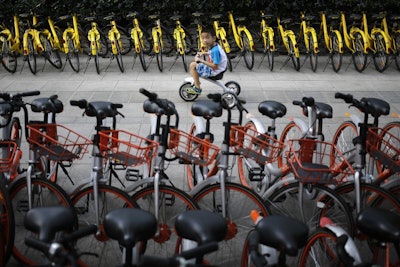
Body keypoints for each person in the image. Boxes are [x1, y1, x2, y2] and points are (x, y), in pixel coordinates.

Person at [187, 27, 228, 95]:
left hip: (215, 72)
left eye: (207, 38)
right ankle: (197, 81)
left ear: (214, 38)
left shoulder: (215, 51)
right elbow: (211, 53)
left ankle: (197, 87)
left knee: (193, 65)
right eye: (203, 38)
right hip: (219, 69)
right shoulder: (215, 46)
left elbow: (215, 66)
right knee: (194, 65)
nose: (205, 40)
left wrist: (201, 61)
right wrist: (204, 53)